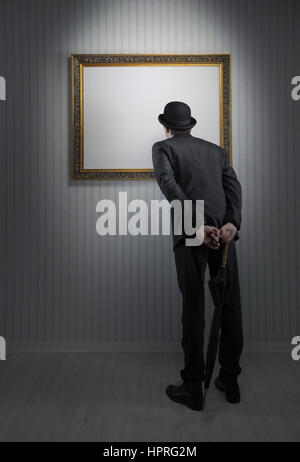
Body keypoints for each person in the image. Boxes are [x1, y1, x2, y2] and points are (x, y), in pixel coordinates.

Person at [152, 101, 243, 411]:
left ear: (167, 126)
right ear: (190, 125)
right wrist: (230, 223)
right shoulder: (216, 151)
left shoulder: (162, 147)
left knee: (194, 308)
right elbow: (233, 188)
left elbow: (168, 184)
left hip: (193, 233)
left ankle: (193, 387)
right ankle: (230, 380)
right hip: (224, 233)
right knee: (228, 306)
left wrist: (196, 224)